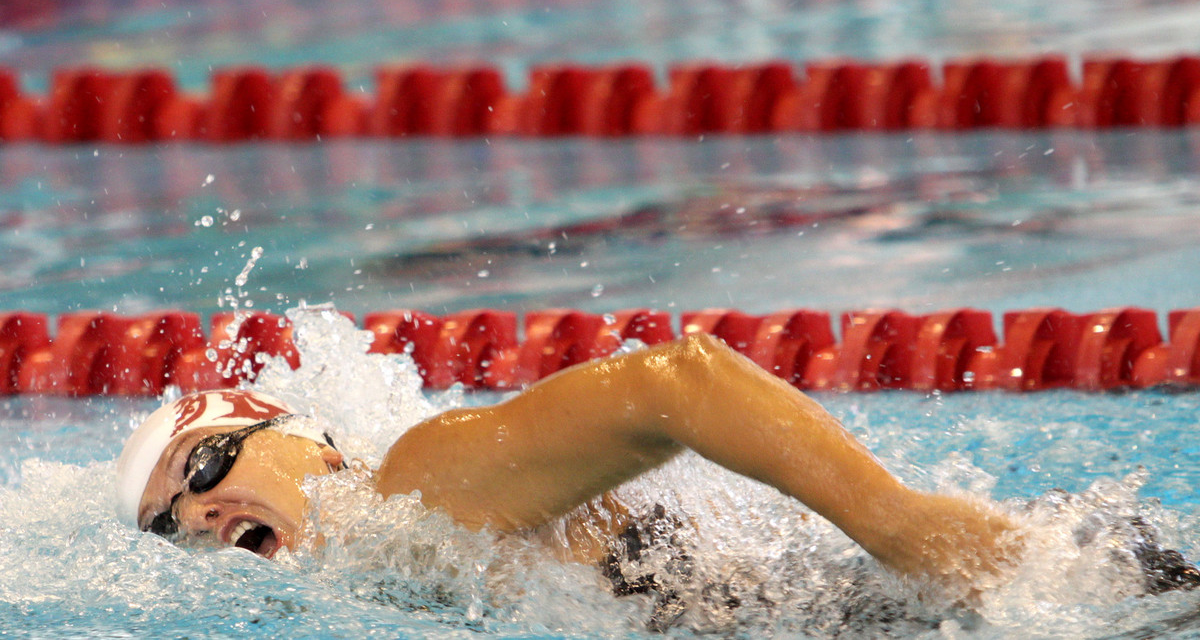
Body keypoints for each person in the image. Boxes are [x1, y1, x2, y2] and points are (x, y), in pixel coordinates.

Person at [117, 333, 1024, 597]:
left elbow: (684, 382)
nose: (193, 516)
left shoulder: (412, 488)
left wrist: (897, 523)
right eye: (169, 523)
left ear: (305, 441)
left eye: (201, 470)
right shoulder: (377, 572)